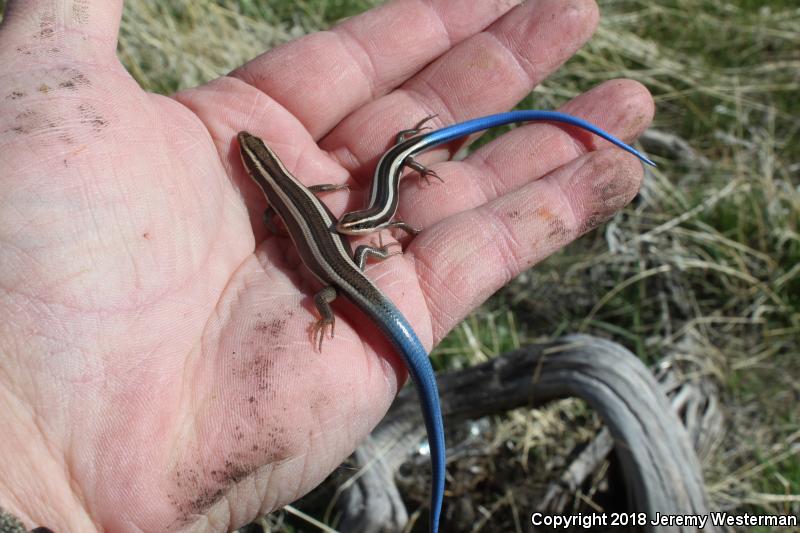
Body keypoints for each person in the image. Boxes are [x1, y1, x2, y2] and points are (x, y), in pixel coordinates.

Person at [0, 0, 654, 530]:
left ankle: (325, 305)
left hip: (338, 275)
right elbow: (294, 203)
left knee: (329, 290)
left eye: (251, 160)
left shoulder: (274, 202)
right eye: (250, 159)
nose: (250, 162)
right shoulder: (284, 193)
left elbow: (281, 210)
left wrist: (321, 305)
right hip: (343, 264)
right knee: (338, 281)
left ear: (259, 172)